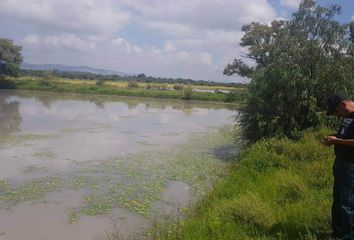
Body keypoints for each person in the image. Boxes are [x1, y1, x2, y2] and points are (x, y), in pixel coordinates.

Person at [322, 93, 354, 239]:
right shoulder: (347, 118)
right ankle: (338, 233)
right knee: (338, 200)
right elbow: (345, 136)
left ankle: (349, 236)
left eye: (336, 111)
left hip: (351, 165)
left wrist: (337, 141)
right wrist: (333, 137)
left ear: (343, 104)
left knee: (347, 203)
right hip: (341, 163)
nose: (337, 115)